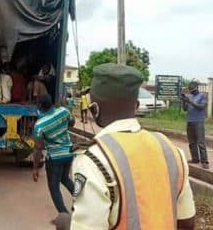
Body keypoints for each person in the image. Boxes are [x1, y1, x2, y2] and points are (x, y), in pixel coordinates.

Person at [70, 63, 196, 229]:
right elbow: (187, 222)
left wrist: (66, 223)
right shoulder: (171, 150)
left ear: (94, 110)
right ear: (136, 106)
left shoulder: (93, 160)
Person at [32, 94, 75, 225]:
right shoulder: (64, 111)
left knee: (54, 188)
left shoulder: (39, 125)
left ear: (39, 106)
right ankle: (82, 200)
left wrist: (35, 167)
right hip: (68, 153)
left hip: (55, 157)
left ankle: (65, 218)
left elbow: (38, 148)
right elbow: (71, 124)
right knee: (65, 178)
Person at [181, 81, 209, 169]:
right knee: (192, 142)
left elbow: (201, 107)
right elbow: (185, 109)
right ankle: (195, 159)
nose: (191, 92)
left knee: (200, 142)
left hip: (199, 121)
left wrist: (190, 102)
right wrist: (184, 101)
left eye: (192, 90)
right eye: (190, 90)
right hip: (190, 121)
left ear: (197, 88)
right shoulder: (189, 96)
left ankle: (204, 161)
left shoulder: (203, 96)